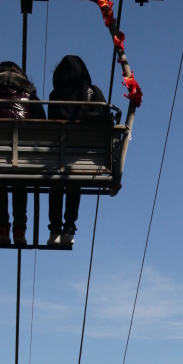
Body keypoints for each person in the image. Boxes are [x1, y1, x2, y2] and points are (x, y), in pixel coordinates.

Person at [0, 61, 46, 246]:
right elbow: (44, 126)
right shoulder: (30, 96)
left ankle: (2, 229)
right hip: (23, 156)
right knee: (20, 182)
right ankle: (19, 231)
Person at [47, 55, 112, 245]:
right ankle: (69, 228)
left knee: (57, 183)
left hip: (58, 159)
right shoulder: (94, 92)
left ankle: (55, 231)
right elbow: (106, 120)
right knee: (74, 179)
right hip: (88, 158)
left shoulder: (55, 96)